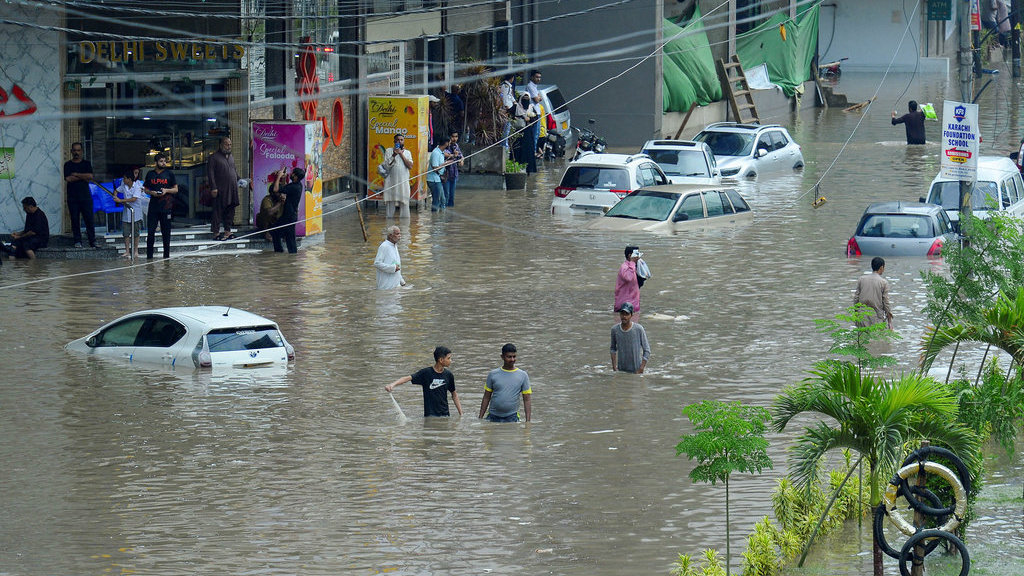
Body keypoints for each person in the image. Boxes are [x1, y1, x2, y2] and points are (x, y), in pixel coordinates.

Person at [384, 346, 463, 418]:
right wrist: (392, 385)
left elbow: (454, 395)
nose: (451, 361)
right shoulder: (426, 373)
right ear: (441, 360)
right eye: (448, 358)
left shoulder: (448, 375)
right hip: (430, 416)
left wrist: (461, 415)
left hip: (445, 415)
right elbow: (407, 378)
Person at [478, 343, 532, 423]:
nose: (512, 359)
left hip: (512, 417)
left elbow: (527, 400)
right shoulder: (493, 374)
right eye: (509, 357)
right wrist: (480, 418)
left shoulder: (523, 375)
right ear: (502, 357)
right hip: (492, 416)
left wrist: (528, 422)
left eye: (514, 356)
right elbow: (486, 397)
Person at [143, 152, 178, 260]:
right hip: (153, 207)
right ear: (156, 162)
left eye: (165, 161)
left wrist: (166, 190)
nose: (164, 163)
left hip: (166, 207)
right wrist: (151, 193)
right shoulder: (150, 174)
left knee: (166, 233)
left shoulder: (169, 174)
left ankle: (166, 257)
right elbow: (145, 189)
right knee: (150, 233)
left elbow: (176, 189)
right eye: (161, 161)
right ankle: (149, 258)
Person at [207, 136, 240, 241]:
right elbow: (211, 174)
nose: (229, 146)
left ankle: (227, 231)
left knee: (231, 210)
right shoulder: (214, 157)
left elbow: (234, 170)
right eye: (227, 144)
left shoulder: (231, 157)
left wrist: (240, 180)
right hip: (220, 189)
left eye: (230, 144)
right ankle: (216, 233)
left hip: (232, 188)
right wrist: (213, 187)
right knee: (218, 211)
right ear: (221, 145)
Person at [63, 142, 96, 249]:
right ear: (71, 151)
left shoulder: (86, 164)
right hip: (73, 197)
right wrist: (83, 177)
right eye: (75, 150)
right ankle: (77, 241)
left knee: (89, 220)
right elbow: (68, 178)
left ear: (81, 151)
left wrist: (76, 174)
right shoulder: (68, 165)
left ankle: (93, 241)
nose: (76, 152)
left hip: (85, 196)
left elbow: (90, 176)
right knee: (75, 220)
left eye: (78, 150)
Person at [270, 166, 305, 254]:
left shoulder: (295, 187)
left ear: (296, 176)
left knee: (280, 234)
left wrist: (278, 176)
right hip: (289, 215)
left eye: (293, 174)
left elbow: (275, 189)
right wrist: (283, 177)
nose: (291, 175)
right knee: (285, 236)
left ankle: (281, 253)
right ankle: (286, 254)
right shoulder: (297, 185)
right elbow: (285, 188)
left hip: (289, 217)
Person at [610, 302, 650, 374]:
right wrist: (614, 367)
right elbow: (613, 349)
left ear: (631, 315)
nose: (624, 316)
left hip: (636, 370)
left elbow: (647, 350)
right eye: (622, 314)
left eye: (627, 314)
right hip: (621, 370)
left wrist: (641, 368)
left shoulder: (638, 329)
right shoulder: (615, 330)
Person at [854, 256, 893, 328]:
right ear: (881, 267)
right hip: (876, 316)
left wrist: (856, 314)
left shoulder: (861, 279)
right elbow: (886, 302)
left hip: (862, 314)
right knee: (877, 338)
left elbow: (856, 298)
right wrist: (890, 321)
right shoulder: (883, 282)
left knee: (863, 337)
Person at [114, 168, 145, 259]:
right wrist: (115, 195)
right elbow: (117, 190)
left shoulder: (137, 186)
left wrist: (121, 200)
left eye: (125, 178)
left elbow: (134, 199)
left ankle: (135, 250)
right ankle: (127, 251)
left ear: (129, 179)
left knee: (135, 232)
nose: (123, 180)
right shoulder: (124, 185)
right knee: (126, 233)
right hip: (126, 212)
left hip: (136, 212)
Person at [382, 134, 414, 218]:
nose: (399, 141)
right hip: (391, 182)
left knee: (405, 203)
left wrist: (401, 154)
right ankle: (389, 226)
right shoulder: (388, 151)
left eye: (401, 140)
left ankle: (405, 228)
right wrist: (394, 154)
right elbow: (386, 165)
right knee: (390, 204)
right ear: (394, 141)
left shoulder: (407, 153)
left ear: (404, 141)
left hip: (403, 182)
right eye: (397, 140)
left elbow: (410, 166)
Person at [374, 225, 405, 289]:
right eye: (397, 234)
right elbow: (377, 263)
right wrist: (392, 268)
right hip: (386, 287)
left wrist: (402, 281)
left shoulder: (395, 246)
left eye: (400, 233)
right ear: (390, 235)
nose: (400, 236)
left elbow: (396, 265)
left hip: (396, 285)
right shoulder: (384, 246)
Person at [614, 246, 642, 317]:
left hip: (633, 304)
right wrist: (632, 262)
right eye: (637, 255)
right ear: (630, 256)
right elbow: (629, 278)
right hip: (625, 306)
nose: (638, 257)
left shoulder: (633, 267)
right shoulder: (625, 267)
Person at [525, 70, 543, 170]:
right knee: (534, 135)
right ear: (532, 77)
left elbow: (539, 98)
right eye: (536, 77)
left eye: (539, 77)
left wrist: (539, 97)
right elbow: (537, 99)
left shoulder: (535, 87)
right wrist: (539, 97)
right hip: (534, 114)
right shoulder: (530, 86)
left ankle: (535, 152)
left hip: (537, 113)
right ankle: (532, 154)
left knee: (537, 135)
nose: (538, 79)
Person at [444, 130, 464, 207]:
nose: (454, 139)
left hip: (454, 174)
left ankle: (450, 215)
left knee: (451, 196)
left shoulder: (456, 146)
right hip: (446, 175)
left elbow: (461, 156)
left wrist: (461, 160)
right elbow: (445, 155)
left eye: (456, 136)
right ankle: (443, 215)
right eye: (453, 136)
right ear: (449, 137)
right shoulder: (445, 146)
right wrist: (453, 155)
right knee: (446, 195)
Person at [428, 138, 449, 211]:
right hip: (433, 180)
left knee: (442, 201)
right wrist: (445, 164)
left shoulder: (440, 152)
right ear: (446, 143)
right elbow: (435, 168)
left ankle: (439, 219)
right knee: (437, 201)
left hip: (437, 179)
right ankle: (435, 220)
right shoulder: (436, 153)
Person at [499, 74, 516, 149]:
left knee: (508, 129)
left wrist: (515, 102)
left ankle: (505, 145)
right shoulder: (505, 86)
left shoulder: (508, 86)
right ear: (512, 78)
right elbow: (505, 97)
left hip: (510, 108)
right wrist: (507, 108)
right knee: (506, 129)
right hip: (507, 110)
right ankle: (504, 146)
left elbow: (510, 96)